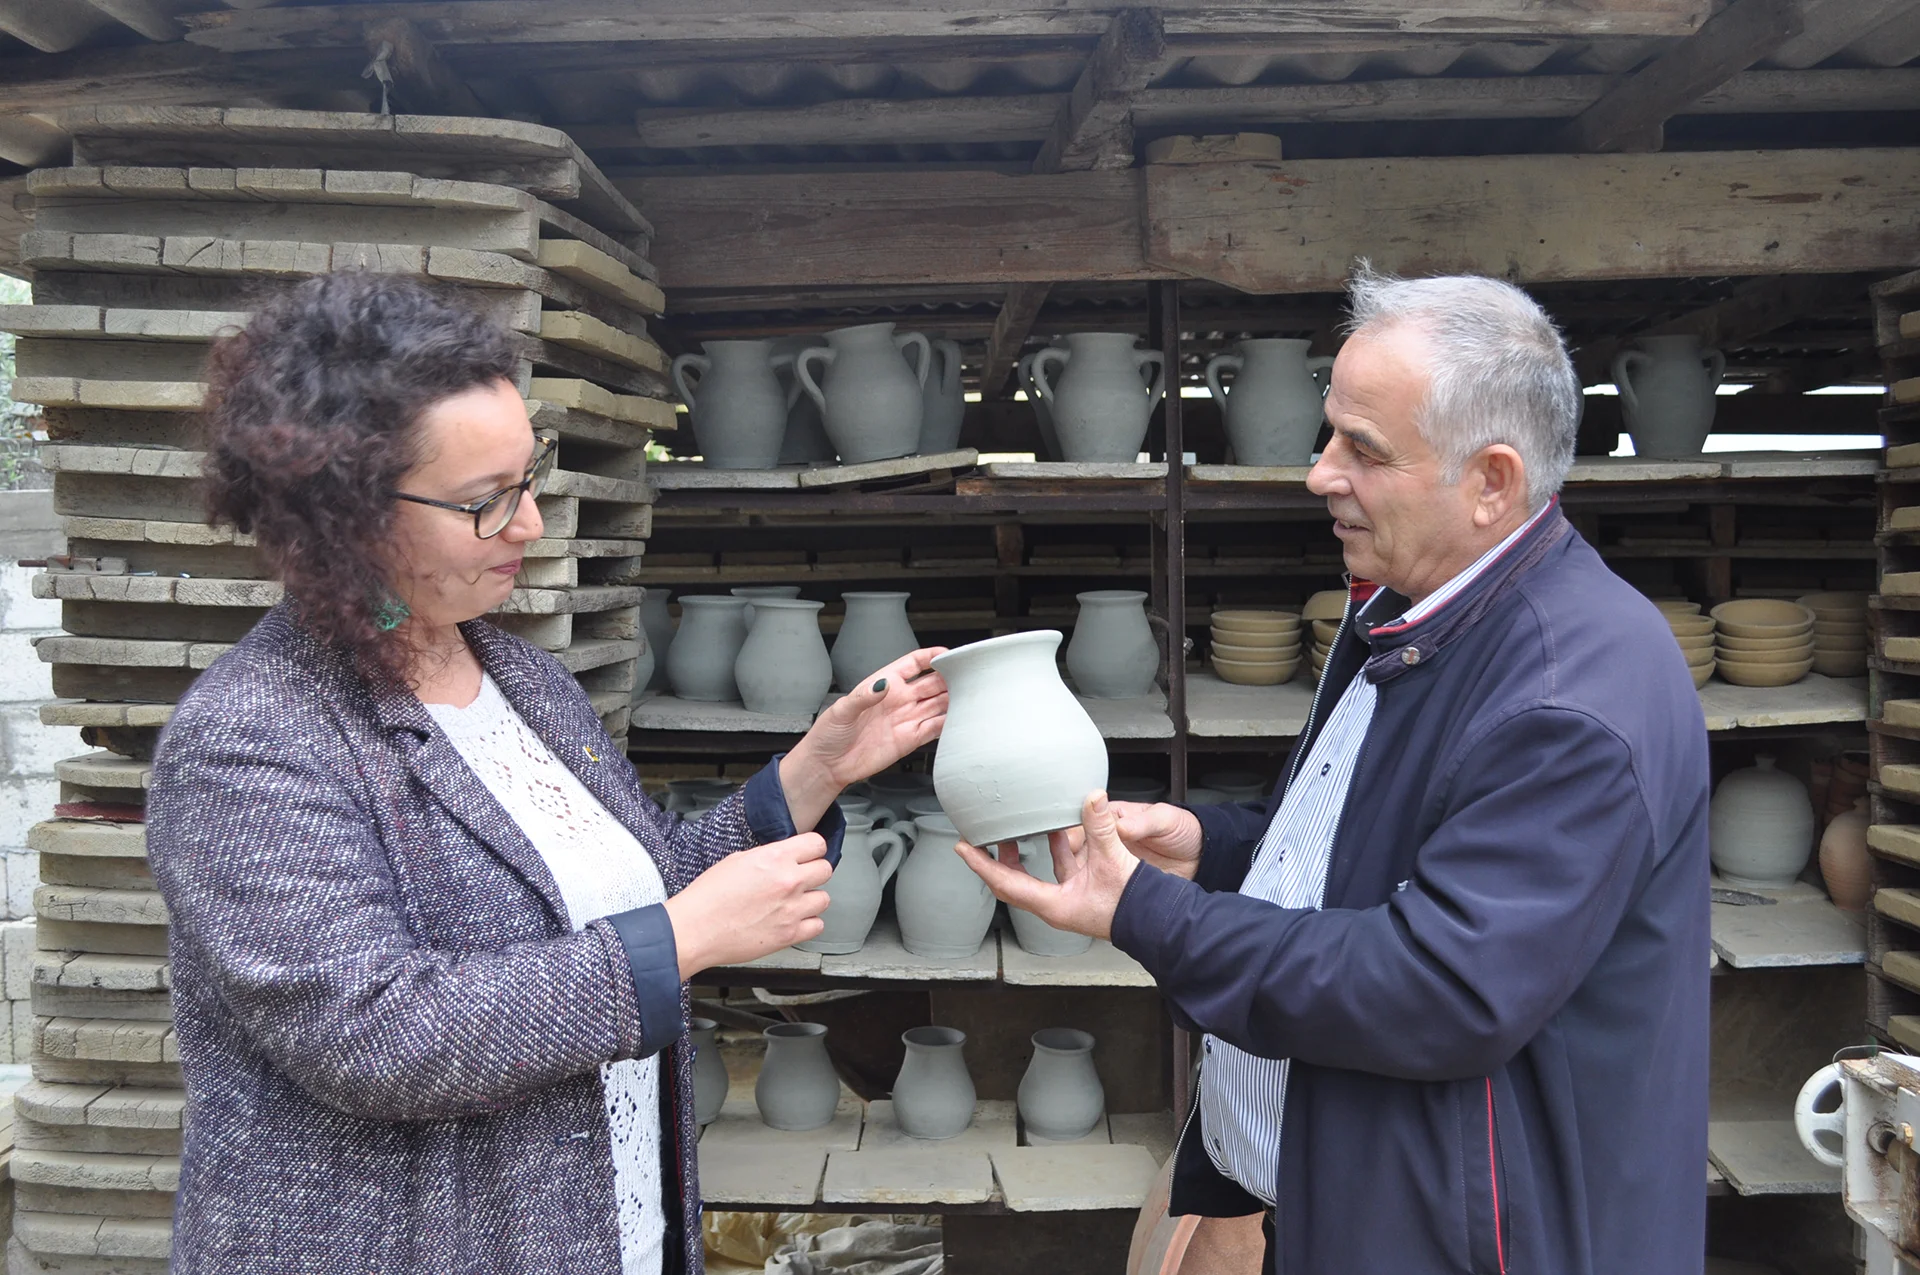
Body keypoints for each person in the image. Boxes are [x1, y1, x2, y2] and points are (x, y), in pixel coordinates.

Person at [146, 271, 948, 1275]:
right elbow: (374, 1034)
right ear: (345, 514)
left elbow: (632, 891)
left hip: (605, 1228)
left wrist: (811, 772)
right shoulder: (254, 737)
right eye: (484, 502)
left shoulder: (523, 681)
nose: (529, 524)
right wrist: (684, 939)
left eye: (528, 479)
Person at [960, 267, 1710, 1275]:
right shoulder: (1409, 612)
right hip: (1358, 1211)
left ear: (1491, 482)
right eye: (1328, 436)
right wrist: (1214, 852)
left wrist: (1148, 913)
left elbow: (1439, 987)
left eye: (1364, 449)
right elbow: (1369, 851)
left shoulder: (1568, 699)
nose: (1319, 474)